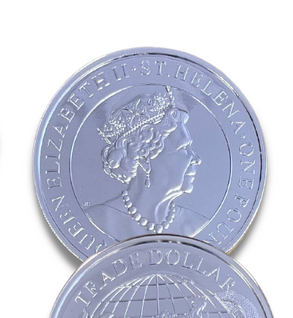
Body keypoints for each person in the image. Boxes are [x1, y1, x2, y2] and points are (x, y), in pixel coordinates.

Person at [85, 87, 204, 238]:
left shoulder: (197, 225)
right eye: (183, 148)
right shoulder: (97, 220)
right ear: (145, 159)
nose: (197, 159)